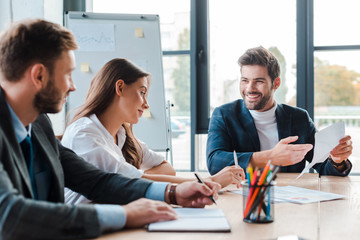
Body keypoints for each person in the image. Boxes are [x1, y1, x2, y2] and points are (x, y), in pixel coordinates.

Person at [0, 19, 221, 240]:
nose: (73, 86)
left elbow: (95, 180)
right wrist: (124, 214)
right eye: (67, 74)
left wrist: (172, 194)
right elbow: (11, 215)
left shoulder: (39, 124)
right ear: (39, 75)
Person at [61, 58, 245, 204]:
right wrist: (209, 182)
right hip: (85, 225)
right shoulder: (84, 134)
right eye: (142, 93)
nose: (146, 104)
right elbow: (134, 184)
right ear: (120, 87)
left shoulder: (122, 135)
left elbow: (168, 169)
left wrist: (142, 176)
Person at [207, 46, 353, 176]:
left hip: (292, 200)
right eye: (245, 80)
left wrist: (337, 160)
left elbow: (324, 168)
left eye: (259, 81)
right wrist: (270, 157)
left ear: (276, 83)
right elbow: (214, 163)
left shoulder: (299, 118)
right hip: (245, 197)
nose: (249, 88)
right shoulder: (224, 115)